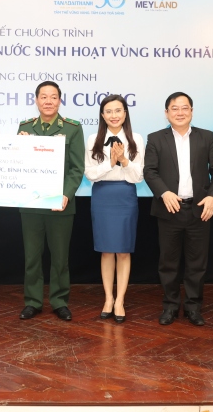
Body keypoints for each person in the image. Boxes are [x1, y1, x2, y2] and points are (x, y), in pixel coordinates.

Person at [144, 92, 213, 327]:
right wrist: (164, 192)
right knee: (168, 263)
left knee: (197, 264)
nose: (180, 112)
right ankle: (170, 306)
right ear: (166, 113)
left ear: (191, 111)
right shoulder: (155, 138)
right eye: (174, 108)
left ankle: (193, 307)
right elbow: (150, 171)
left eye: (185, 108)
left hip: (199, 209)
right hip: (169, 208)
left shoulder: (206, 137)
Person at [16, 81, 85, 321]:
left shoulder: (73, 128)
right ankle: (33, 301)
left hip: (61, 205)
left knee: (60, 258)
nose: (48, 101)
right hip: (31, 204)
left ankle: (59, 301)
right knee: (32, 257)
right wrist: (19, 147)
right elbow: (18, 165)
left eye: (53, 97)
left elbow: (77, 168)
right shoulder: (25, 127)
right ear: (36, 100)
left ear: (59, 100)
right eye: (43, 97)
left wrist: (66, 194)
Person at [84, 95, 144, 324]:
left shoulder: (136, 138)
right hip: (102, 196)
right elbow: (90, 174)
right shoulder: (94, 139)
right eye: (108, 111)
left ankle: (120, 300)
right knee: (107, 250)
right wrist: (110, 162)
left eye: (118, 110)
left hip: (125, 195)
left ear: (125, 113)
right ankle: (108, 298)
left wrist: (124, 161)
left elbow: (139, 176)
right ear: (102, 115)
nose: (114, 115)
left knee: (123, 250)